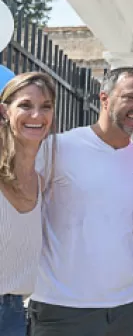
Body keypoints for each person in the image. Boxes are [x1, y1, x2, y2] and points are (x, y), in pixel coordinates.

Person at [29, 66, 133, 336]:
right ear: (105, 98)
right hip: (61, 308)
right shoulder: (58, 147)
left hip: (124, 309)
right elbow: (23, 208)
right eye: (131, 98)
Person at [0, 73, 56, 336]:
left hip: (16, 314)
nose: (36, 115)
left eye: (45, 107)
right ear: (4, 111)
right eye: (25, 105)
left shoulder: (41, 183)